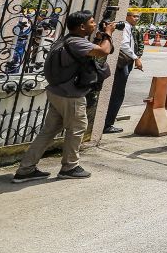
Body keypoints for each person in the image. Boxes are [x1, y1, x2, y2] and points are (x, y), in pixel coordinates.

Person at [13, 10, 114, 182]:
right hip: (70, 95)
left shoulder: (66, 39)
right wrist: (108, 34)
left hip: (57, 92)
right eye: (91, 22)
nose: (94, 23)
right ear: (82, 26)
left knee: (48, 131)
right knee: (76, 129)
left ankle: (26, 169)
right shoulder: (76, 43)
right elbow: (104, 51)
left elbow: (90, 52)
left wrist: (99, 36)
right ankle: (70, 167)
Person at [103, 10, 144, 134]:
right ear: (127, 16)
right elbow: (124, 45)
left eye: (138, 16)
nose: (136, 18)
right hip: (123, 62)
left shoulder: (132, 28)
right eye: (134, 16)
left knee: (118, 93)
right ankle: (107, 124)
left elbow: (137, 44)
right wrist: (135, 57)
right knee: (118, 94)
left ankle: (108, 121)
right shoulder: (125, 26)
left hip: (127, 61)